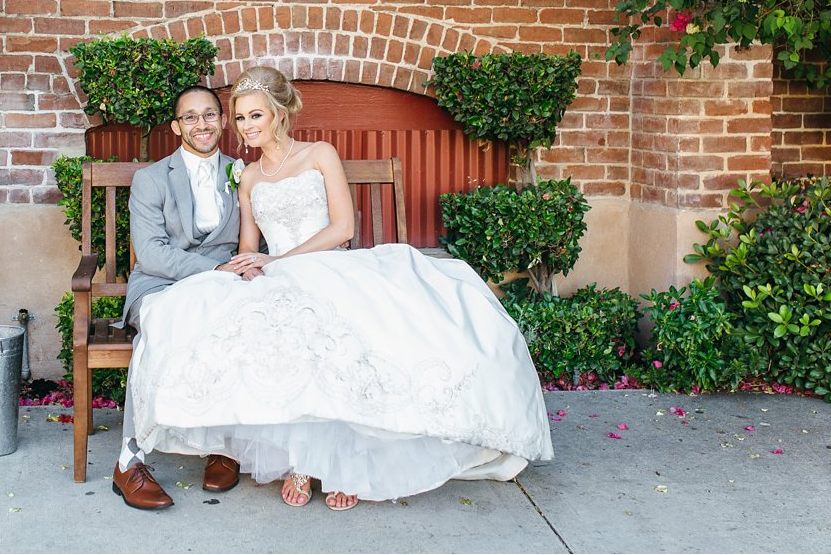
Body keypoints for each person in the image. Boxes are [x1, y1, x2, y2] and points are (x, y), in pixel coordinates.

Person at [125, 66, 554, 511]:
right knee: (280, 331)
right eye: (241, 119)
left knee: (346, 337)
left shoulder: (320, 154)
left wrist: (279, 261)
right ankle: (302, 459)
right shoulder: (246, 176)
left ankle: (340, 464)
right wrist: (251, 267)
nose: (247, 126)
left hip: (325, 263)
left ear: (276, 113)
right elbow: (247, 245)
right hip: (275, 273)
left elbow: (343, 228)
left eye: (255, 116)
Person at [111, 85, 254, 510]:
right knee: (160, 332)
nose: (202, 124)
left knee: (244, 325)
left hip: (223, 284)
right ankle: (129, 461)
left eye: (210, 114)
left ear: (223, 121)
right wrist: (214, 269)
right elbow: (152, 253)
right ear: (176, 127)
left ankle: (223, 447)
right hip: (160, 283)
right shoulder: (152, 178)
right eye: (190, 117)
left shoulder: (243, 172)